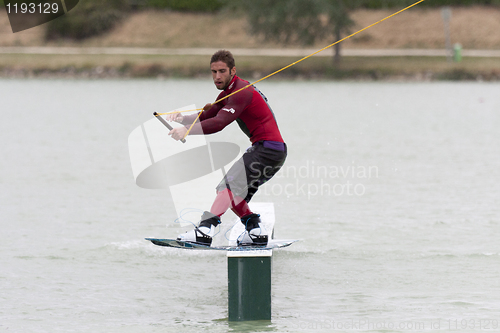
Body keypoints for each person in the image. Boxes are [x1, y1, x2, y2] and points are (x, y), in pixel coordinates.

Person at [166, 50, 287, 246]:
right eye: (213, 72)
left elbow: (219, 123)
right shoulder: (229, 93)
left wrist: (187, 130)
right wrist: (182, 118)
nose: (217, 76)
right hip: (273, 151)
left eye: (222, 71)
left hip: (267, 149)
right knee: (232, 195)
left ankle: (204, 230)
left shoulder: (241, 92)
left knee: (227, 188)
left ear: (233, 70)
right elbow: (208, 115)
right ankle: (256, 231)